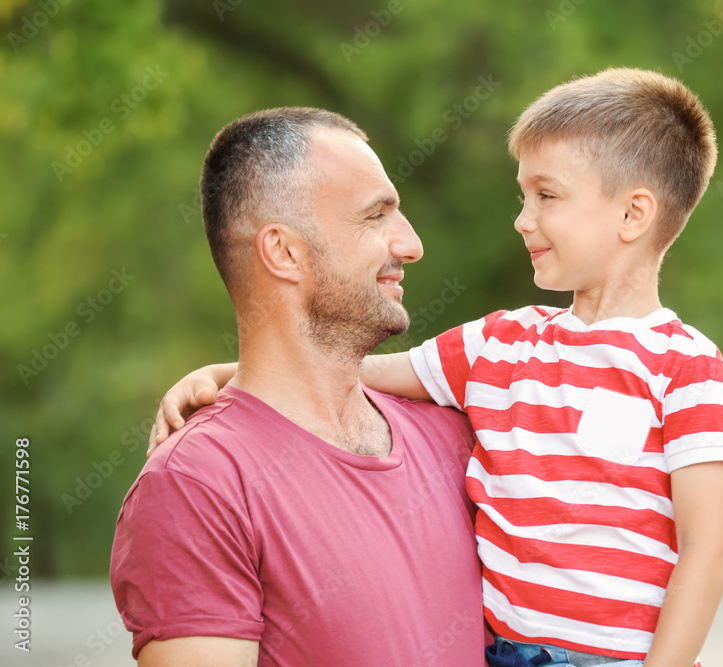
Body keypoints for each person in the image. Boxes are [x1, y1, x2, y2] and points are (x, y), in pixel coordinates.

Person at [153, 68, 723, 667]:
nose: (522, 218)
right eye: (523, 196)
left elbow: (708, 548)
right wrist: (226, 373)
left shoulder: (686, 367)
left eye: (547, 196)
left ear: (632, 214)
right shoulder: (500, 344)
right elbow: (358, 370)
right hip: (505, 655)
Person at [110, 107, 490, 666]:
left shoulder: (461, 435)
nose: (410, 245)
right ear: (284, 252)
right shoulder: (196, 485)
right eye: (375, 216)